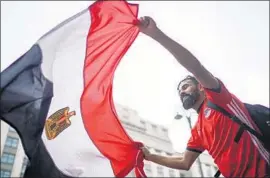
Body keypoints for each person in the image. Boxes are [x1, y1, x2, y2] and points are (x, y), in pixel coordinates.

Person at [137, 16, 269, 177]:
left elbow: (195, 67)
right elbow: (184, 162)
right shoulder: (198, 130)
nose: (182, 92)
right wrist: (150, 156)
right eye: (179, 91)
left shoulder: (218, 98)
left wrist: (156, 34)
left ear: (200, 86)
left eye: (185, 86)